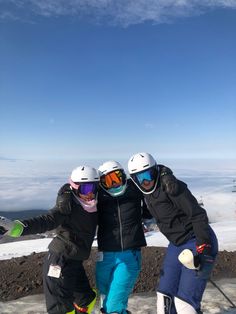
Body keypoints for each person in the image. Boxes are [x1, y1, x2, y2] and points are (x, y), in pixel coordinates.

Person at [0, 166, 99, 314]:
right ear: (75, 188)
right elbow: (46, 220)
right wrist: (16, 228)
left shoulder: (93, 205)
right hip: (59, 262)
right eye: (85, 189)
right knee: (60, 309)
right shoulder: (67, 206)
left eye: (94, 187)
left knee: (87, 298)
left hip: (75, 262)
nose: (90, 193)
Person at [127, 152, 218, 314]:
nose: (146, 181)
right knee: (164, 297)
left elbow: (198, 215)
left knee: (185, 303)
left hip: (197, 239)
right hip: (176, 245)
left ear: (155, 171)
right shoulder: (145, 192)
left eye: (148, 175)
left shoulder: (171, 187)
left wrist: (204, 246)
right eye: (139, 178)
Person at [58, 160, 152, 314]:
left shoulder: (134, 189)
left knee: (114, 305)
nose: (114, 184)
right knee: (105, 299)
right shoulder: (98, 195)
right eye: (108, 181)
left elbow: (151, 187)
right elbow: (76, 188)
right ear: (101, 183)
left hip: (129, 255)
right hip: (105, 255)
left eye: (116, 177)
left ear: (123, 175)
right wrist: (65, 193)